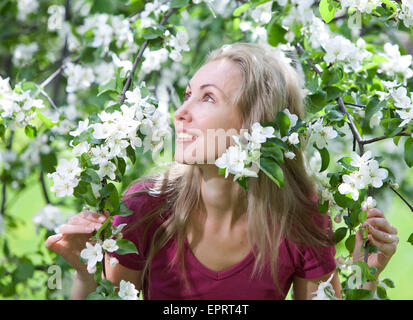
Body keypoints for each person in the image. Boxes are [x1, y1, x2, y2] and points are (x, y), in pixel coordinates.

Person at [45, 42, 399, 300]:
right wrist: (86, 273)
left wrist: (364, 277)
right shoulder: (144, 207)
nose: (180, 113)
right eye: (187, 95)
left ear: (255, 123)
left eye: (208, 97)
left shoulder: (303, 215)